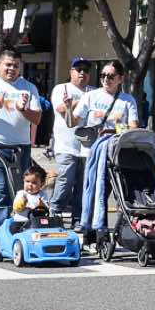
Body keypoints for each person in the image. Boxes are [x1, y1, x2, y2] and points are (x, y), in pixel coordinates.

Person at [0, 49, 42, 246]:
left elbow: (37, 118)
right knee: (0, 193)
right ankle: (0, 238)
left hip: (20, 147)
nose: (11, 69)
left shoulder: (28, 87)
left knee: (19, 194)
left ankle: (9, 230)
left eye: (15, 66)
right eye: (8, 65)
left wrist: (23, 109)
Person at [78, 61, 141, 238]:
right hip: (93, 152)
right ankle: (94, 233)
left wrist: (118, 125)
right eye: (103, 75)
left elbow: (133, 127)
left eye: (111, 76)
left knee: (122, 194)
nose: (106, 79)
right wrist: (67, 109)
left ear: (120, 79)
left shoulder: (127, 100)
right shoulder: (91, 96)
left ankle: (124, 231)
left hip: (117, 153)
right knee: (97, 192)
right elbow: (74, 120)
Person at [49, 59, 95, 228]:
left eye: (86, 70)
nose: (82, 73)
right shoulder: (62, 88)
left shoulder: (94, 91)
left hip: (87, 147)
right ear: (71, 72)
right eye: (78, 69)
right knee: (65, 181)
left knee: (83, 185)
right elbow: (61, 109)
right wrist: (83, 101)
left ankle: (78, 218)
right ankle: (55, 211)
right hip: (65, 145)